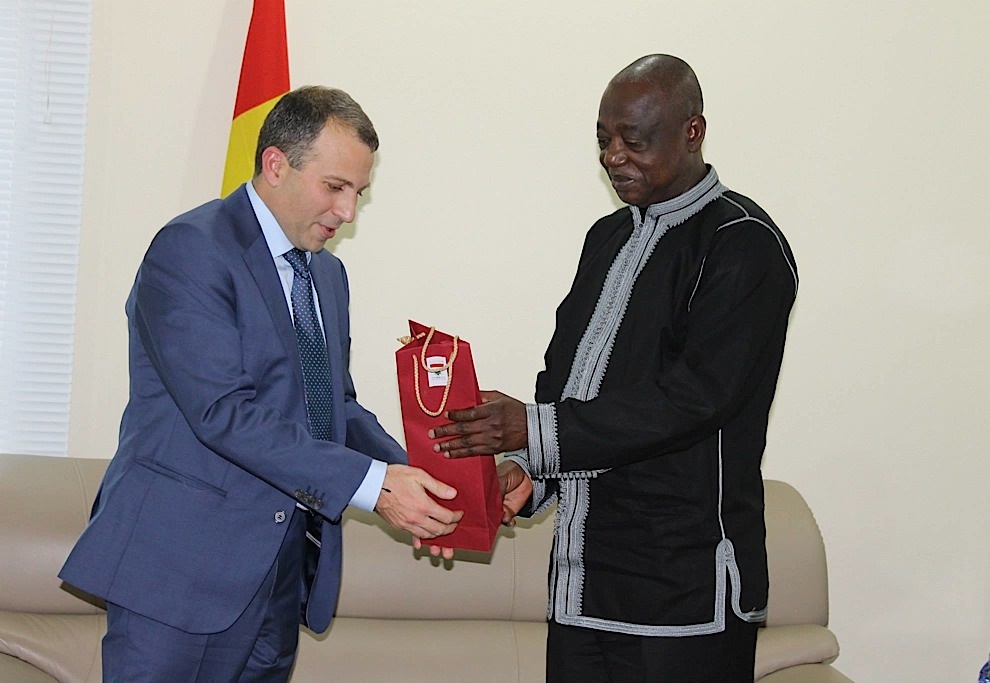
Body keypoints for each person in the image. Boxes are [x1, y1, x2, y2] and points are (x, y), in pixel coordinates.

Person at [59, 85, 462, 682]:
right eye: (335, 186)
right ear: (275, 164)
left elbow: (333, 407)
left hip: (281, 573)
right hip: (181, 570)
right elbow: (223, 411)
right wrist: (375, 487)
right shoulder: (192, 250)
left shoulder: (327, 275)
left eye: (358, 192)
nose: (348, 212)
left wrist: (417, 481)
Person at [431, 55, 799, 682]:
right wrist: (528, 470)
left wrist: (532, 429)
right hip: (580, 583)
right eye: (603, 139)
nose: (613, 156)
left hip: (682, 591)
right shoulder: (606, 238)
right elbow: (565, 381)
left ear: (692, 132)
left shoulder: (742, 242)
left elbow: (694, 400)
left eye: (634, 139)